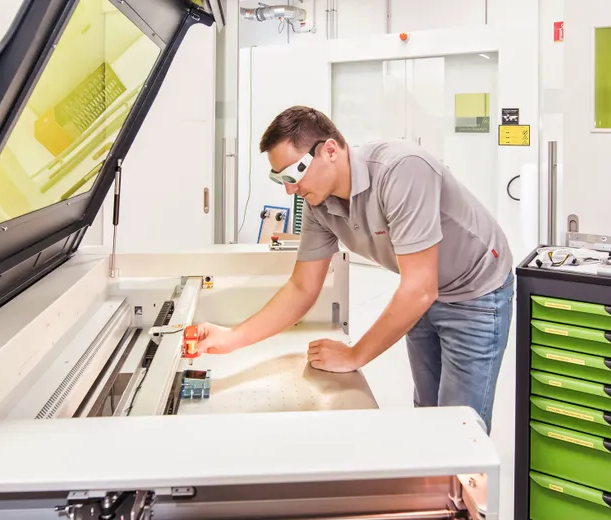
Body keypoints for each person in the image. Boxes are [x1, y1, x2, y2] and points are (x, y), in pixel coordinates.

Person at [196, 106, 515, 433]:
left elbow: (419, 289)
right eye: (280, 179)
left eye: (292, 174)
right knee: (428, 411)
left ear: (330, 151)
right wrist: (232, 338)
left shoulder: (401, 170)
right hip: (423, 289)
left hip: (475, 289)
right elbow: (302, 288)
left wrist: (355, 355)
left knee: (459, 425)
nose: (290, 189)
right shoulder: (318, 205)